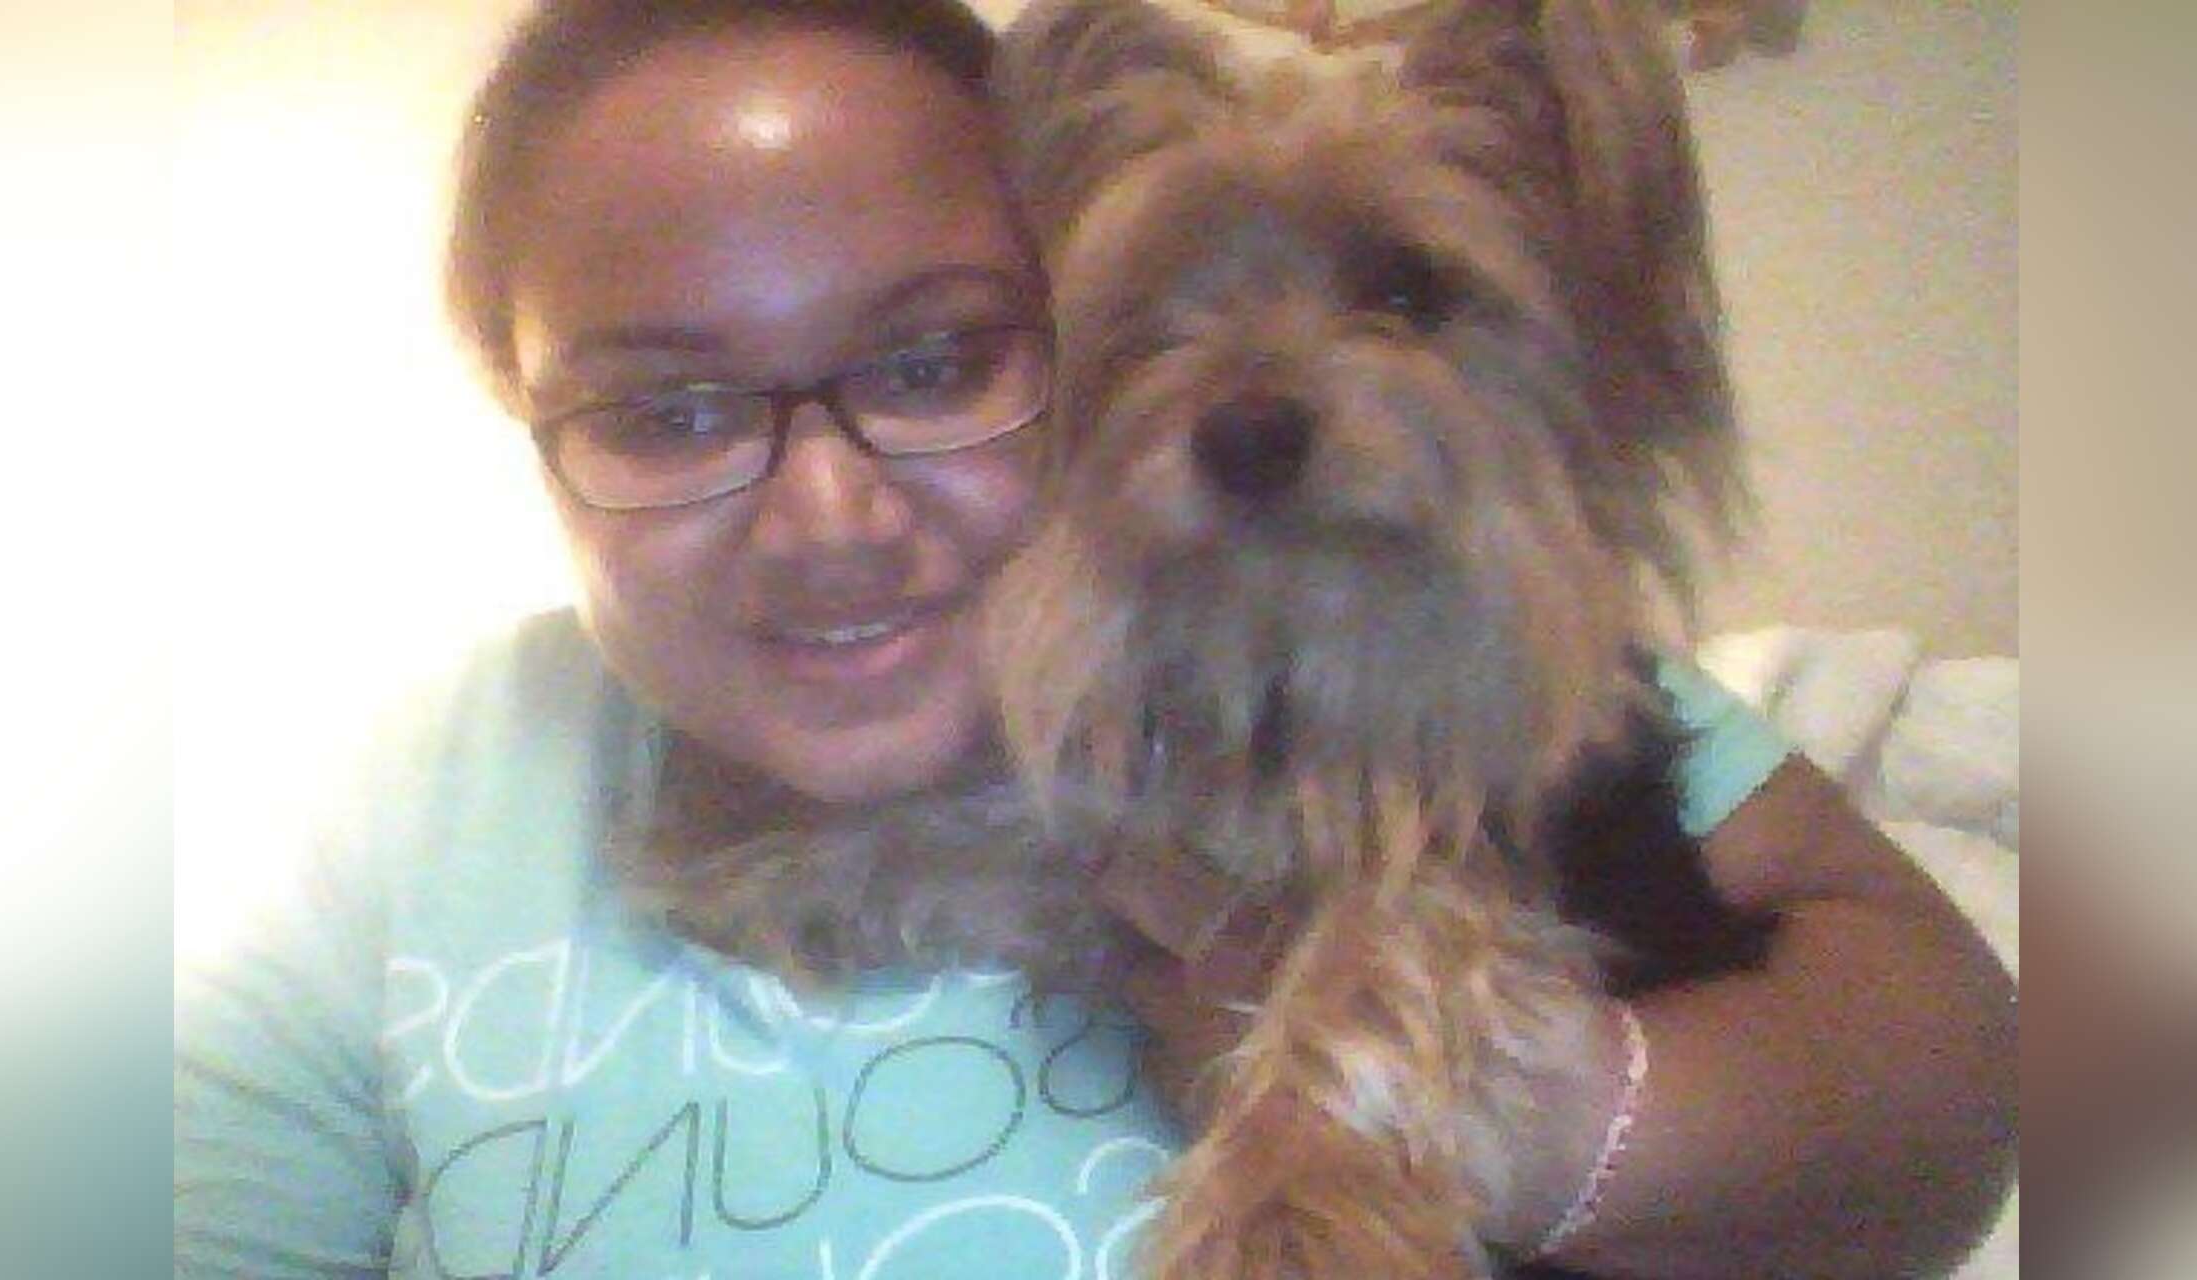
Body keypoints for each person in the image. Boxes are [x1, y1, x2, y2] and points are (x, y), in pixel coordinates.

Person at [174, 1, 2016, 1276]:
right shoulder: (416, 797)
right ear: (525, 417)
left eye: (931, 363)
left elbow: (1956, 1089)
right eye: (668, 411)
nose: (827, 515)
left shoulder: (1421, 634)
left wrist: (1481, 1121)